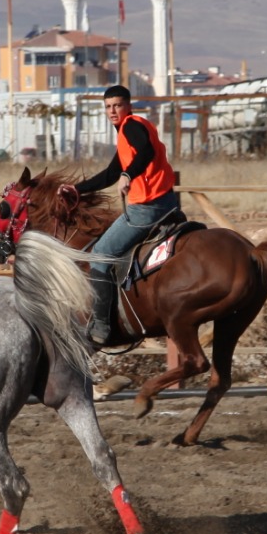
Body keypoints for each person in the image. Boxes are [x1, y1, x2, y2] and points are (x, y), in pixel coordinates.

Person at [80, 84, 181, 346]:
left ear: (128, 106)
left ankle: (102, 326)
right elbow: (111, 174)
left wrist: (128, 175)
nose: (112, 111)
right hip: (167, 203)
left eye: (117, 105)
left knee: (99, 255)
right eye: (108, 107)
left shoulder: (131, 126)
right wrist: (76, 189)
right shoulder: (132, 131)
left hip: (146, 209)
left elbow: (145, 152)